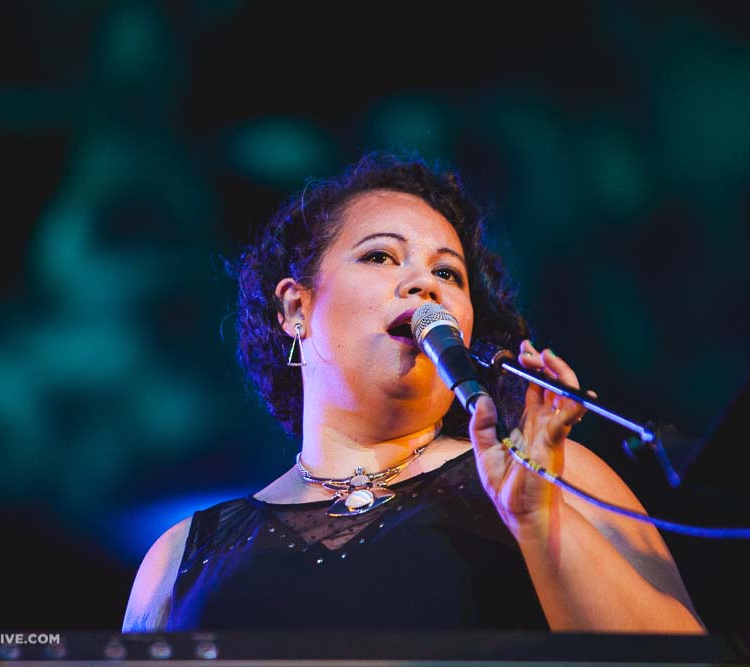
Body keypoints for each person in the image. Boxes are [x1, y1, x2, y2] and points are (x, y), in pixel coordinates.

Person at [122, 151, 705, 634]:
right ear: (297, 307)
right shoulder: (177, 559)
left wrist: (539, 522)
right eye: (380, 256)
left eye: (448, 274)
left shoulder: (554, 474)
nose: (425, 283)